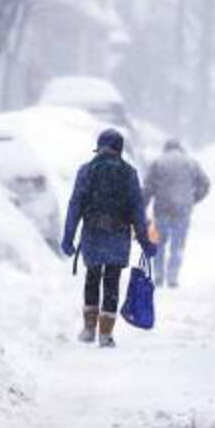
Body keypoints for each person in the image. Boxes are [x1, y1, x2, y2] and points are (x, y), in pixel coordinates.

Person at [61, 127, 155, 348]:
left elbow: (75, 204)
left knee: (92, 278)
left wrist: (68, 237)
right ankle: (105, 334)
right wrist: (144, 240)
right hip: (118, 235)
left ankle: (88, 328)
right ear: (119, 149)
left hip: (92, 234)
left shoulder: (86, 171)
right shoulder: (129, 173)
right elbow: (137, 210)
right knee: (111, 282)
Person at [143, 139, 210, 288]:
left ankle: (159, 276)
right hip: (182, 209)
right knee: (177, 243)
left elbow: (148, 187)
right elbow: (205, 184)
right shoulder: (191, 162)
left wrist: (142, 208)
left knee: (159, 243)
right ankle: (172, 277)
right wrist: (193, 199)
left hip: (162, 208)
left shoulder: (158, 162)